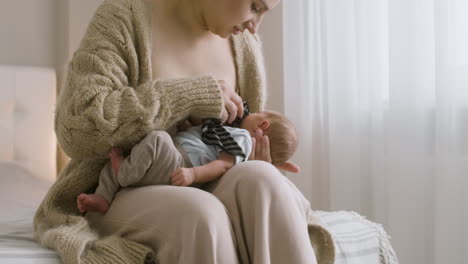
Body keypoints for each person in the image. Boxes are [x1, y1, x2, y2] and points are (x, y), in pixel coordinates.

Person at [33, 0, 335, 263]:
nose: (255, 26)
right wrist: (187, 95)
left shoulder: (244, 46)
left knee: (266, 180)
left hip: (207, 179)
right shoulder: (123, 18)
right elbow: (77, 128)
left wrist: (256, 157)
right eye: (255, 6)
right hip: (122, 188)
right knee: (201, 215)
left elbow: (233, 143)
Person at [77, 110, 298, 214]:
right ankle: (103, 197)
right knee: (119, 155)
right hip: (176, 159)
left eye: (258, 113)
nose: (251, 113)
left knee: (157, 138)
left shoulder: (242, 139)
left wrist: (194, 174)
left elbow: (222, 165)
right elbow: (205, 139)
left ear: (263, 125)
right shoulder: (232, 133)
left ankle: (123, 174)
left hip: (182, 164)